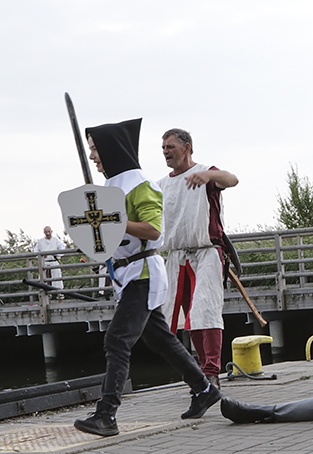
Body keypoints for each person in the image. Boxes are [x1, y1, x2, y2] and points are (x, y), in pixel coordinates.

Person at [73, 118, 227, 437]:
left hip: (144, 274)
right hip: (127, 273)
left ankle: (106, 414)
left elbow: (154, 230)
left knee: (117, 339)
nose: (92, 157)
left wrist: (110, 220)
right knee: (159, 338)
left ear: (112, 150)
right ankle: (203, 389)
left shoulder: (140, 185)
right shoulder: (112, 188)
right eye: (89, 150)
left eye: (95, 149)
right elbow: (112, 235)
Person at [158, 129, 239, 389]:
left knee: (206, 310)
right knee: (186, 317)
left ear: (187, 147)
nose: (166, 151)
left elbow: (233, 179)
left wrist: (209, 176)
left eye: (170, 146)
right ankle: (202, 372)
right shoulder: (161, 185)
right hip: (177, 255)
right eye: (163, 148)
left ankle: (212, 371)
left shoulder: (206, 173)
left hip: (206, 252)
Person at [33, 226, 66, 291]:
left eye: (49, 232)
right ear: (44, 232)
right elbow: (35, 251)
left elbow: (62, 249)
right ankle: (46, 294)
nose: (47, 233)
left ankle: (59, 294)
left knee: (57, 280)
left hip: (54, 261)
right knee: (44, 279)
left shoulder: (56, 240)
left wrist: (56, 254)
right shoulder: (40, 241)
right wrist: (41, 255)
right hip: (44, 262)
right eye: (46, 232)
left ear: (51, 231)